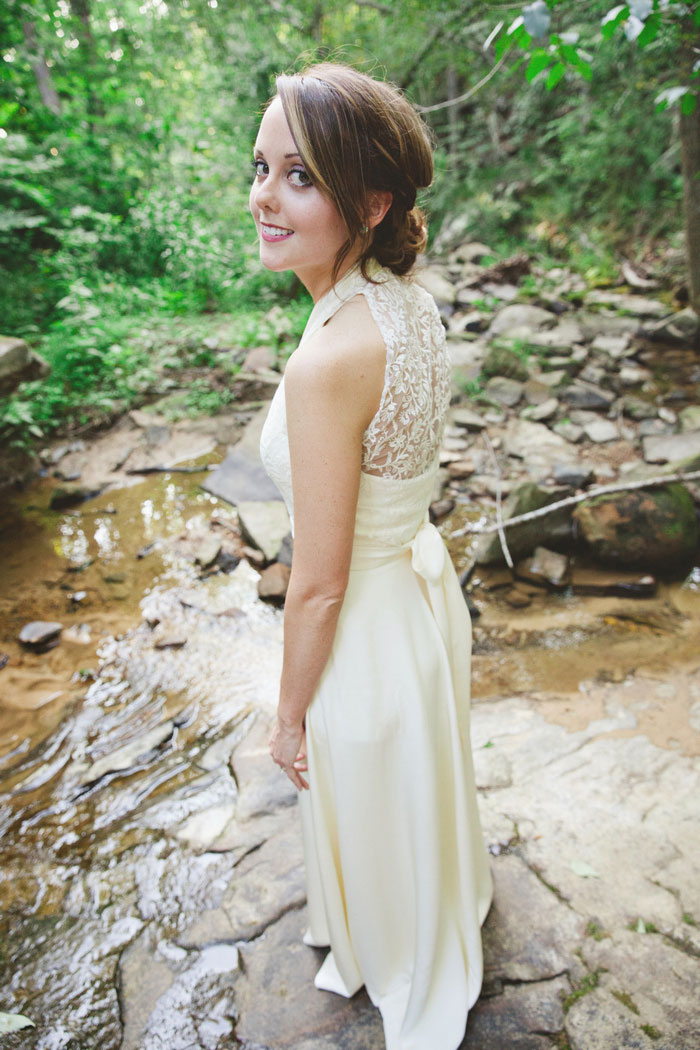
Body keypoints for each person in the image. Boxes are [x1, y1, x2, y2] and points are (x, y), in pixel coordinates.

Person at [254, 62, 493, 1050]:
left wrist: (286, 713)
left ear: (372, 198)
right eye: (260, 166)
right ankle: (417, 921)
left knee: (361, 794)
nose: (263, 196)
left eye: (299, 176)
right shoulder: (403, 301)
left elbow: (315, 587)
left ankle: (394, 949)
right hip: (417, 602)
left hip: (365, 632)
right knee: (409, 805)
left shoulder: (328, 359)